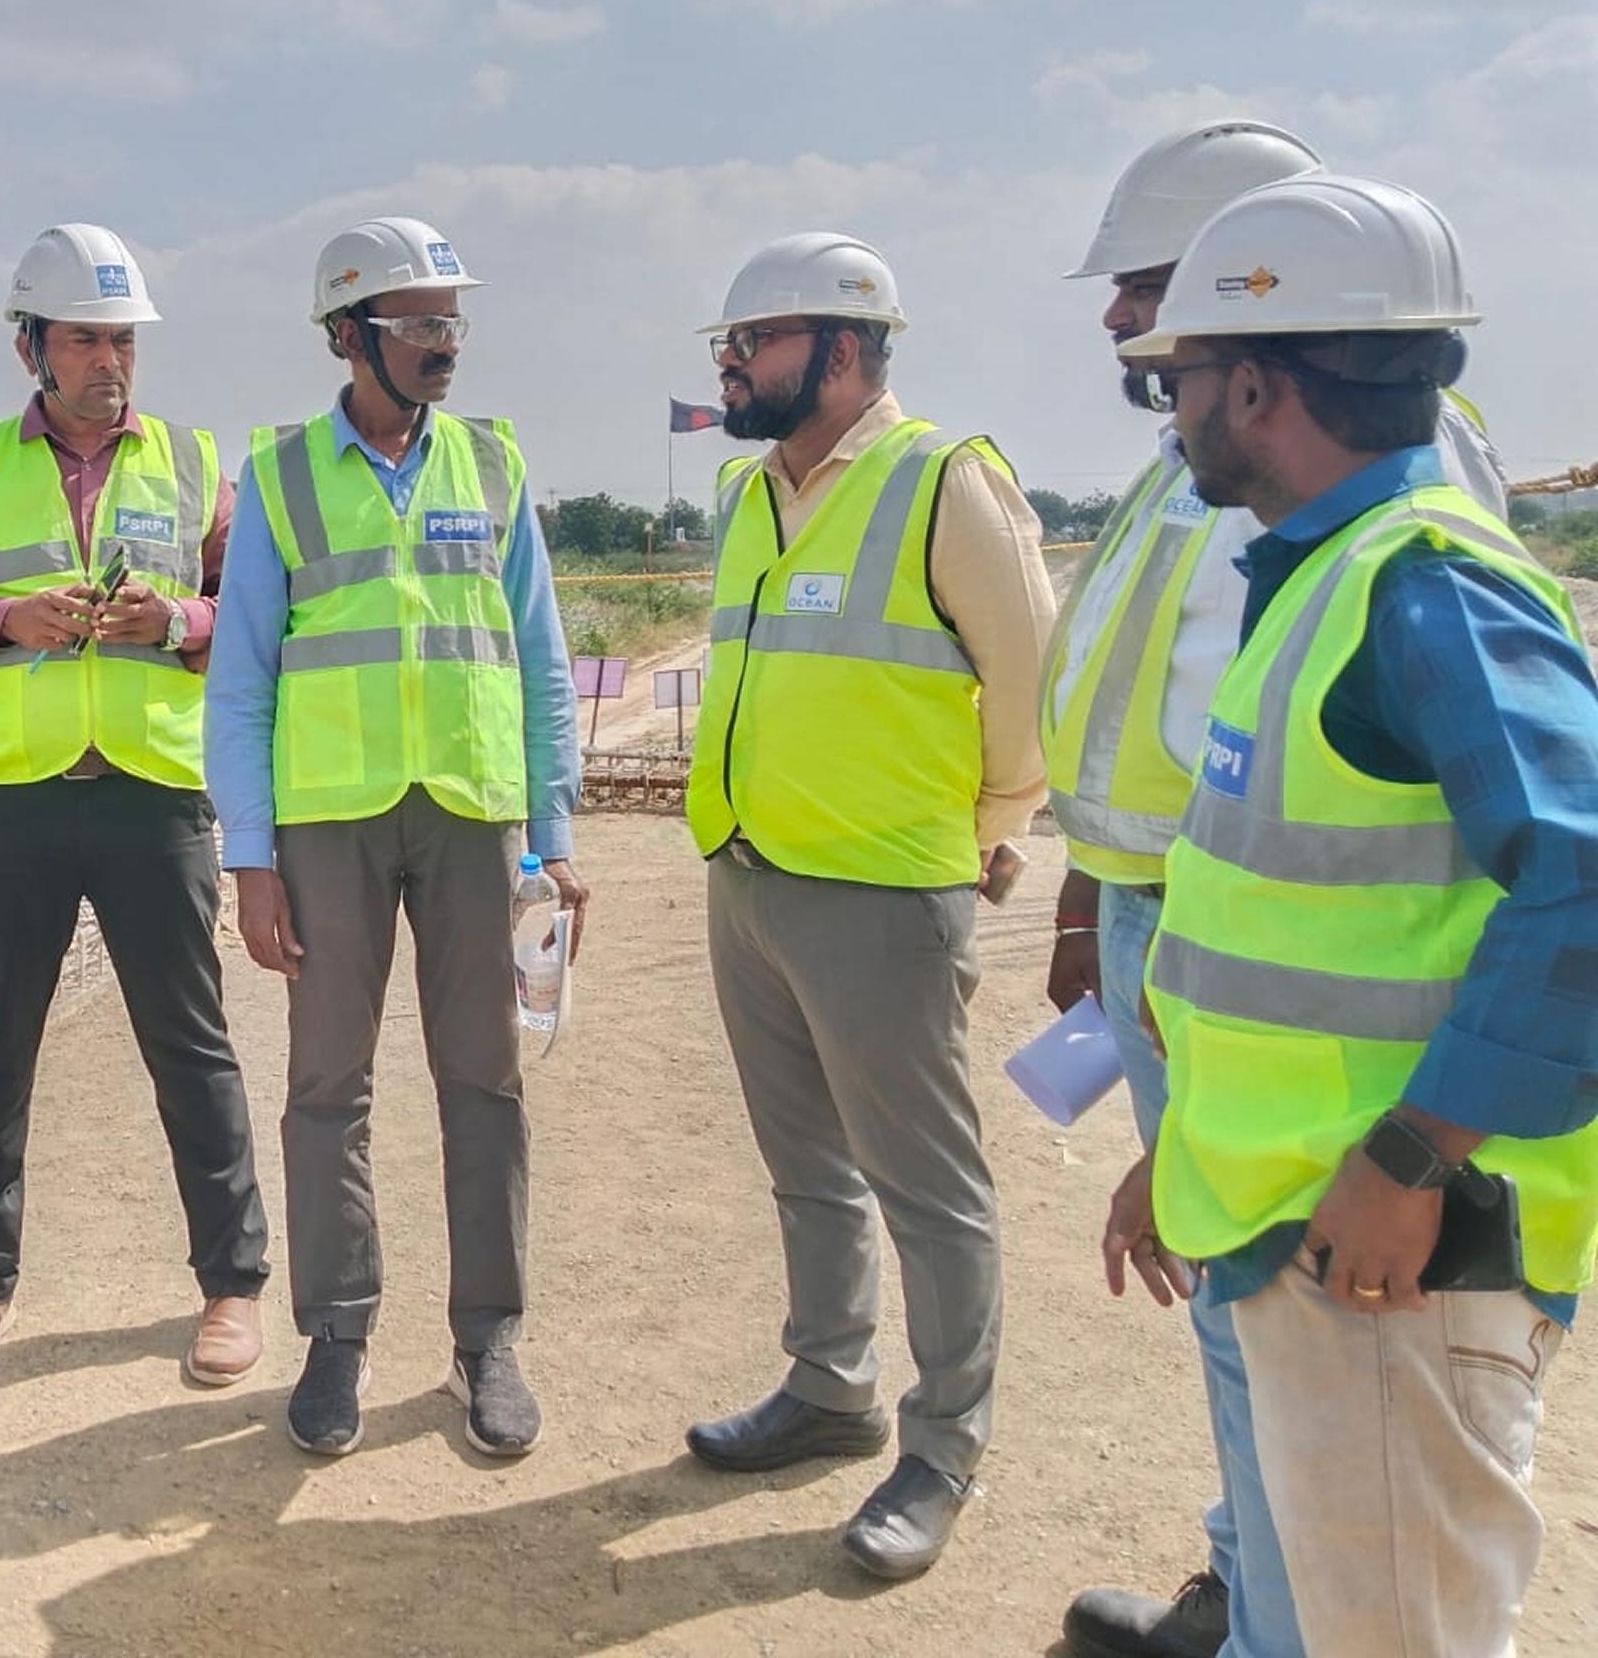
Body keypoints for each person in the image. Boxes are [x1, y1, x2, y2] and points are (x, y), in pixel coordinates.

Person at [1101, 173, 1597, 1658]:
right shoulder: (1322, 579)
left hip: (1396, 1250)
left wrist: (1410, 1153)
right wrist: (1185, 1154)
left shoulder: (1423, 587)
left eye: (1181, 378)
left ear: (1256, 385)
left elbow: (1584, 879)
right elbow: (1303, 938)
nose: (1174, 411)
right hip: (1318, 1226)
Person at [679, 233, 1056, 1579]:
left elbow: (1032, 684)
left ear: (841, 351)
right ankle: (830, 1382)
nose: (730, 366)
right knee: (806, 1163)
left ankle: (942, 1446)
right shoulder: (745, 491)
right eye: (726, 345)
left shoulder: (943, 480)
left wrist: (988, 831)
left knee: (928, 1189)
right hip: (749, 875)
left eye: (754, 342)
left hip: (885, 890)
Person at [208, 214, 587, 1461]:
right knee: (327, 1083)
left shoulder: (492, 463)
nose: (443, 341)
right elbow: (242, 677)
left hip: (473, 812)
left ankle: (486, 1336)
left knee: (482, 1076)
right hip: (330, 821)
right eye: (417, 321)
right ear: (346, 334)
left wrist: (551, 826)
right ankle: (336, 1331)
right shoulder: (278, 477)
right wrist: (250, 857)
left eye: (450, 318)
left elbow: (538, 656)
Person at [0, 223, 271, 1393]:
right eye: (83, 340)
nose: (109, 360)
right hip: (10, 800)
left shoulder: (190, 460)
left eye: (122, 339)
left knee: (190, 1045)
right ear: (30, 348)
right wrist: (1, 621)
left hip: (153, 795)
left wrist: (177, 620)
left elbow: (252, 608)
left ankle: (231, 1282)